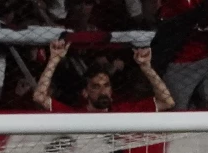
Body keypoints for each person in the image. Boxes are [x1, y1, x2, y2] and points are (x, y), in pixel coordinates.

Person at [33, 40, 175, 112]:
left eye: (106, 86)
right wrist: (54, 60)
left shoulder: (122, 111)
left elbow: (167, 101)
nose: (103, 92)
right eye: (96, 86)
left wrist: (146, 67)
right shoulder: (75, 116)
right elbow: (40, 97)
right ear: (85, 92)